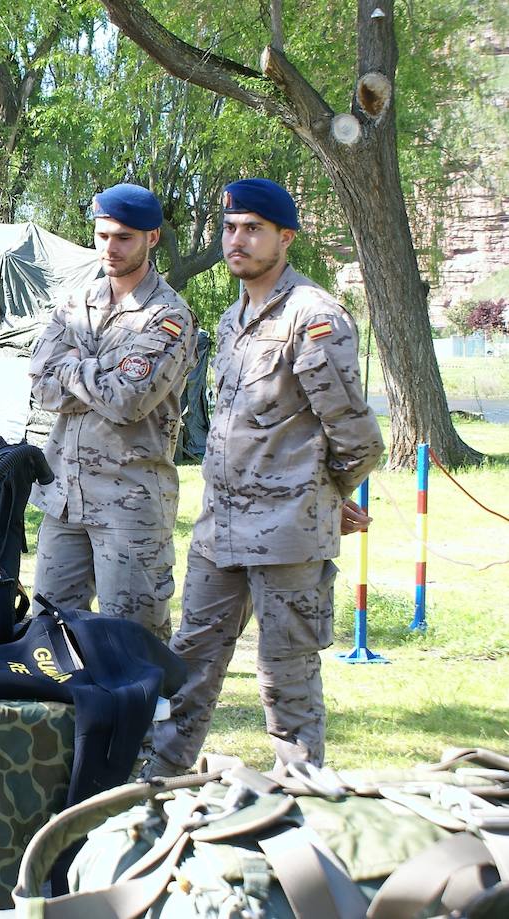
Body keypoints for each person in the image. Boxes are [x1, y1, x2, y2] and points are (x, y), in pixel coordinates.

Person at [142, 179, 384, 778]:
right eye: (229, 228)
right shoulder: (232, 319)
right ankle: (157, 790)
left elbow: (356, 436)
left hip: (286, 535)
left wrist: (324, 497)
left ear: (285, 237)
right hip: (219, 528)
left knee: (286, 675)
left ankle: (301, 802)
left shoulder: (315, 317)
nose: (237, 240)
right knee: (189, 665)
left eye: (253, 228)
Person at [28, 183, 196, 641]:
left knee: (132, 641)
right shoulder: (76, 302)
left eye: (123, 237)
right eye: (102, 236)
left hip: (130, 504)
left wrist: (69, 367)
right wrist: (98, 374)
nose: (110, 248)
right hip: (64, 497)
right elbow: (40, 386)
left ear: (152, 238)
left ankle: (148, 716)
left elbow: (127, 402)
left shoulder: (168, 317)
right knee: (48, 636)